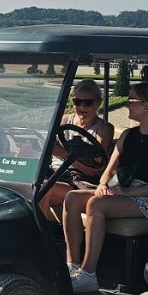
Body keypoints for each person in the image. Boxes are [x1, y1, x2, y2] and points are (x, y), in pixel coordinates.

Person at [62, 81, 148, 294]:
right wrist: (102, 184)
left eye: (131, 101)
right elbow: (109, 170)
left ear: (147, 105)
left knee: (96, 204)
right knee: (72, 198)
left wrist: (128, 192)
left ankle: (88, 274)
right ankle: (73, 266)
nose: (127, 105)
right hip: (122, 190)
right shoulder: (127, 135)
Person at [37, 79, 114, 221]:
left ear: (98, 103)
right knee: (25, 186)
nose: (82, 107)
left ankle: (37, 234)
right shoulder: (64, 120)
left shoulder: (103, 129)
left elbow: (96, 170)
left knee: (44, 189)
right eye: (77, 102)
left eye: (88, 103)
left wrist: (65, 155)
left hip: (81, 181)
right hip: (55, 174)